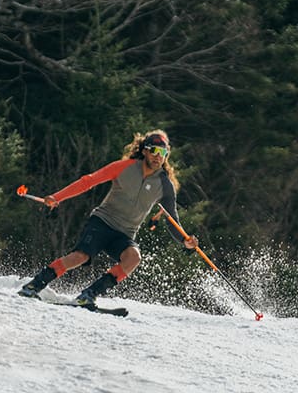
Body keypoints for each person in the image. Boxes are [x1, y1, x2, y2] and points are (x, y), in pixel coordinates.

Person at [17, 130, 198, 306]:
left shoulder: (165, 185)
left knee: (133, 258)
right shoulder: (124, 167)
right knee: (80, 256)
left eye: (163, 153)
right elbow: (88, 181)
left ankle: (89, 295)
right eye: (154, 151)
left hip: (125, 233)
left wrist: (184, 240)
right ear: (145, 151)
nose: (158, 156)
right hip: (102, 222)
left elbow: (171, 217)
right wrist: (57, 197)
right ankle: (34, 285)